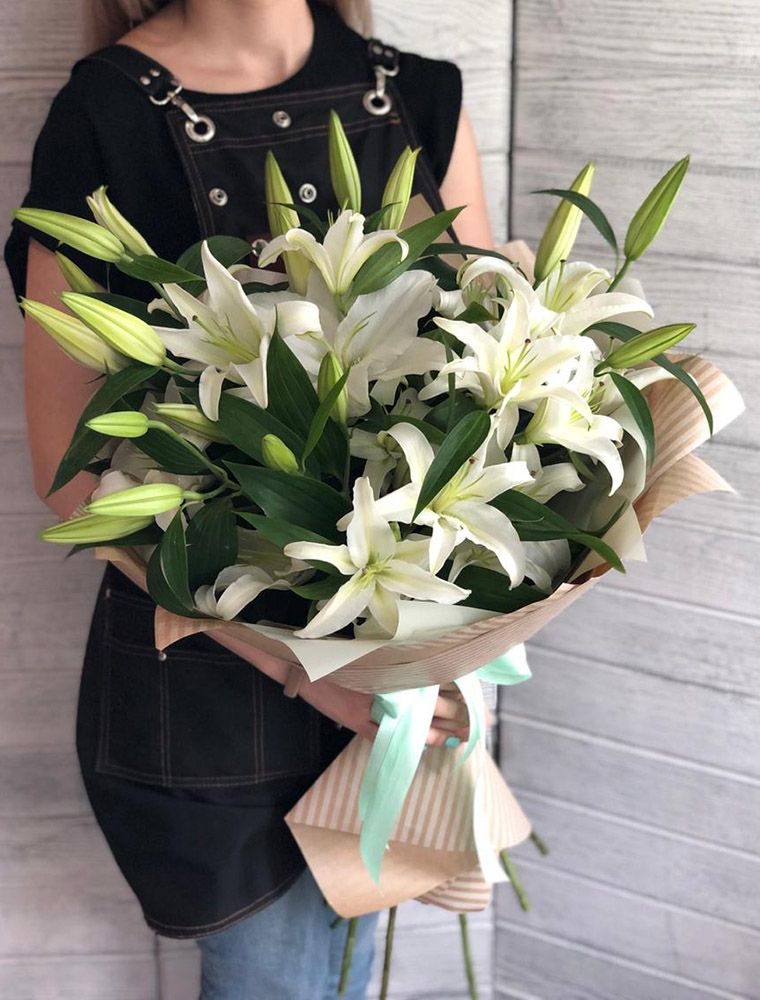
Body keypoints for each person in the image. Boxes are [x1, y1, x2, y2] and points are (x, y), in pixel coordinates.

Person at [3, 1, 496, 996]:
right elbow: (71, 473)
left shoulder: (418, 96)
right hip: (214, 686)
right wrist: (307, 671)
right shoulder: (108, 115)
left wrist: (432, 650)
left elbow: (486, 386)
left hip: (396, 660)